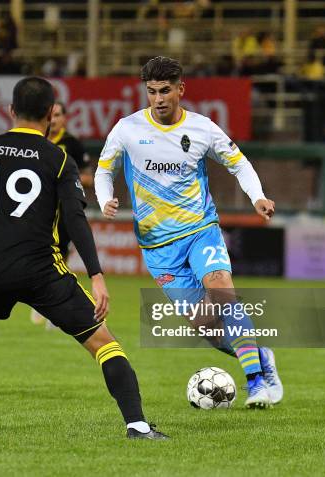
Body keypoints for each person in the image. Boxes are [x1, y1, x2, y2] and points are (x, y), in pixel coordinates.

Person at [0, 76, 168, 439]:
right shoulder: (58, 159)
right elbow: (75, 219)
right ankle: (136, 424)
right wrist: (97, 276)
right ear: (51, 115)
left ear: (10, 111)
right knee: (104, 343)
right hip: (42, 271)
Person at [94, 56, 283, 408]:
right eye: (151, 92)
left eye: (165, 91)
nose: (158, 99)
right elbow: (104, 171)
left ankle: (256, 382)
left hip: (200, 230)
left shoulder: (203, 128)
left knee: (222, 290)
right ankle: (261, 355)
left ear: (181, 89)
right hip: (158, 247)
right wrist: (105, 199)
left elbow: (238, 163)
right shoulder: (126, 129)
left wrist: (257, 197)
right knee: (209, 328)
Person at [31, 101, 92, 327]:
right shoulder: (37, 142)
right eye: (50, 115)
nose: (53, 119)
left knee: (59, 258)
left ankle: (52, 310)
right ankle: (42, 301)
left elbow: (88, 178)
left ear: (65, 118)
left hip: (63, 211)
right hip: (37, 210)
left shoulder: (72, 145)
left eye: (57, 115)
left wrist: (65, 179)